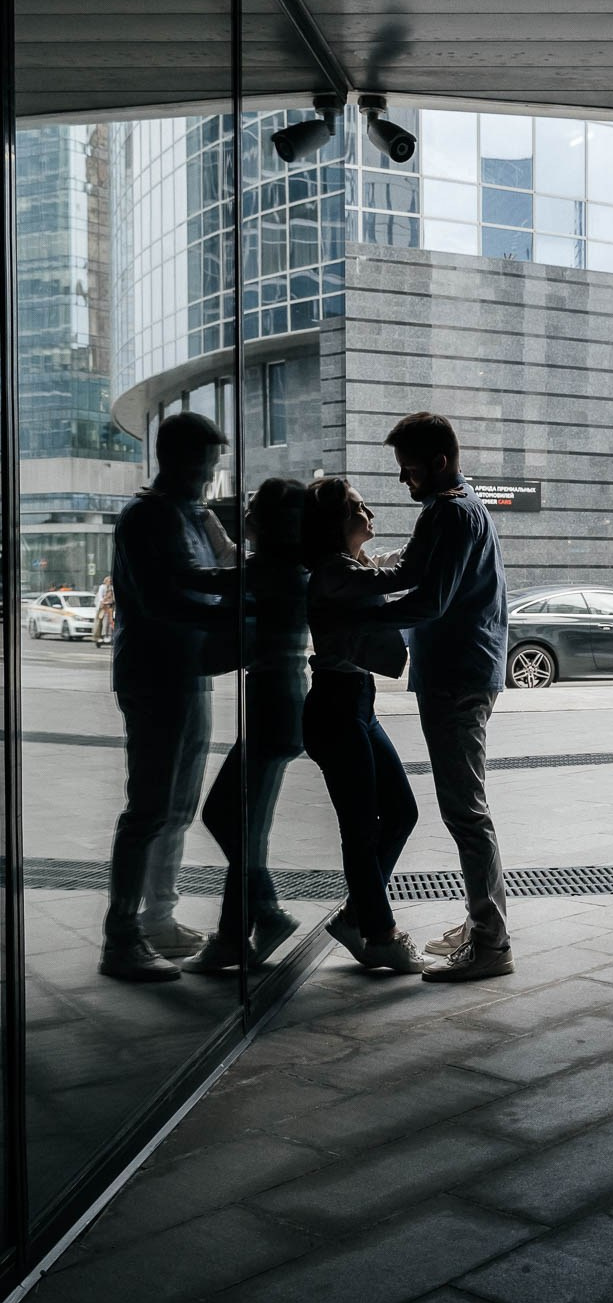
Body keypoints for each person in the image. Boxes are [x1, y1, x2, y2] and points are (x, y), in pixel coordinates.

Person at [342, 412, 511, 983]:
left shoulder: (449, 513)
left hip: (457, 677)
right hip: (462, 671)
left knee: (465, 812)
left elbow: (429, 598)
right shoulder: (460, 507)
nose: (401, 480)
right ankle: (483, 922)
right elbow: (412, 569)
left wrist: (356, 618)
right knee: (467, 810)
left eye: (407, 468)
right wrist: (357, 574)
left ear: (437, 462)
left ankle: (491, 942)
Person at [100, 412, 235, 982]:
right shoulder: (143, 518)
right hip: (154, 675)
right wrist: (242, 612)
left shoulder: (193, 514)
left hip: (190, 670)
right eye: (203, 466)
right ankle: (121, 936)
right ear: (175, 459)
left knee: (178, 808)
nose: (209, 478)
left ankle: (159, 919)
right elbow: (162, 600)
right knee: (150, 808)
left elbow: (228, 566)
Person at [301, 477, 420, 971]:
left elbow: (387, 570)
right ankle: (380, 933)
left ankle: (358, 916)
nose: (367, 509)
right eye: (356, 506)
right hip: (335, 705)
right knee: (360, 828)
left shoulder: (349, 567)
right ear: (336, 523)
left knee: (400, 813)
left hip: (357, 703)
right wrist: (433, 544)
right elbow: (390, 582)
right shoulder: (332, 572)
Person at [190, 478, 308, 974]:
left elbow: (208, 584)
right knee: (244, 823)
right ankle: (240, 930)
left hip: (270, 703)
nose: (249, 515)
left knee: (228, 816)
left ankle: (253, 922)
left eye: (255, 509)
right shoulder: (288, 567)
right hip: (284, 701)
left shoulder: (263, 572)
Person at [92, 573, 114, 646]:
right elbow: (100, 597)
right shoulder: (102, 587)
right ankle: (100, 636)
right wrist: (103, 602)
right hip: (102, 607)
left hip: (110, 607)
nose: (110, 582)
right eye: (108, 581)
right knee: (100, 622)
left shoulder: (112, 587)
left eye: (111, 581)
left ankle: (108, 636)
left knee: (109, 622)